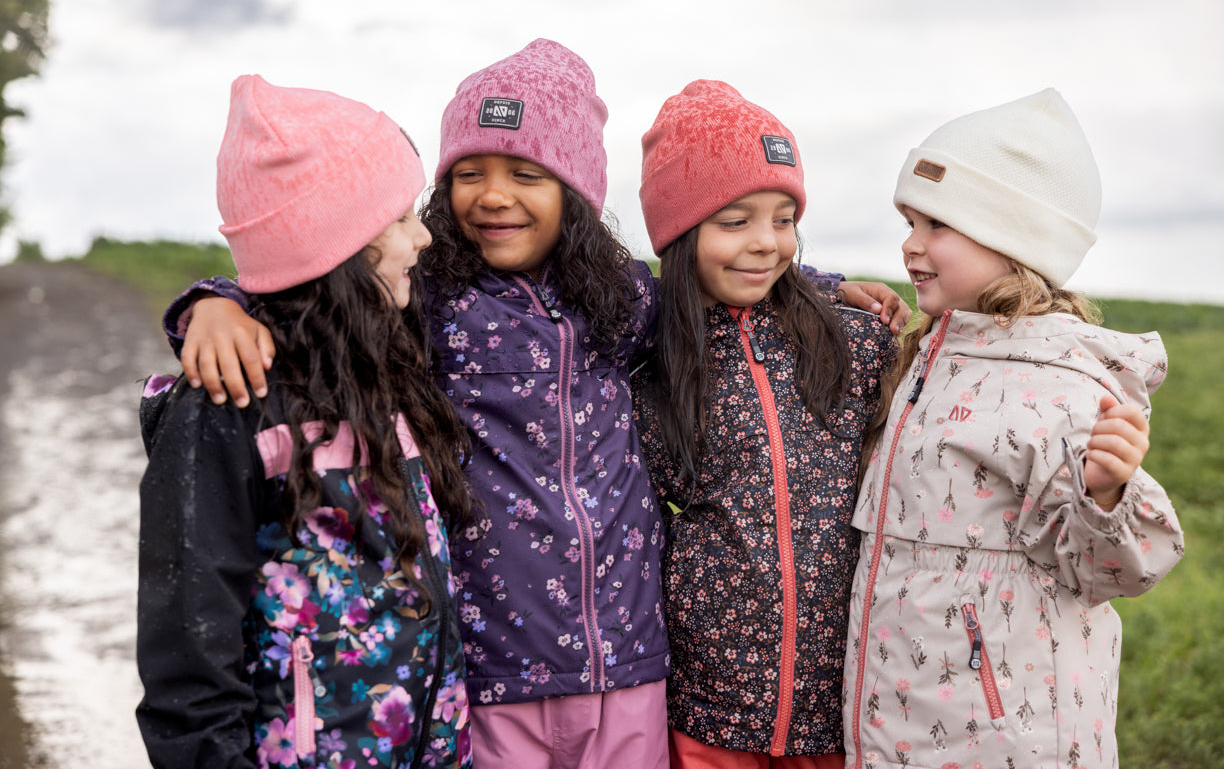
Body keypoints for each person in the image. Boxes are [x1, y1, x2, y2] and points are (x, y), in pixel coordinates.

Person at [160, 41, 905, 768]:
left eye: (526, 174)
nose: (493, 195)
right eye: (469, 173)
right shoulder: (426, 299)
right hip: (496, 662)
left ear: (575, 191)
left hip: (629, 658)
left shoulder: (623, 300)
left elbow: (710, 276)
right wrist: (214, 303)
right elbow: (318, 283)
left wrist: (821, 286)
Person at [136, 76, 475, 768]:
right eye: (400, 218)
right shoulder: (229, 406)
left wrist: (211, 296)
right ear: (335, 245)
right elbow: (188, 650)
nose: (423, 236)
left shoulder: (390, 368)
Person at [842, 89, 1184, 769]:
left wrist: (1106, 495)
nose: (910, 243)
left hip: (1002, 738)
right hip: (907, 720)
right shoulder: (929, 357)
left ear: (1011, 238)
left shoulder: (1057, 384)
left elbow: (1118, 568)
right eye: (909, 221)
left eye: (937, 224)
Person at [631, 79, 900, 768]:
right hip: (708, 710)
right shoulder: (650, 363)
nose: (765, 243)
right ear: (679, 233)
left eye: (783, 219)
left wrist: (827, 287)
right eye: (734, 221)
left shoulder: (853, 342)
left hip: (837, 709)